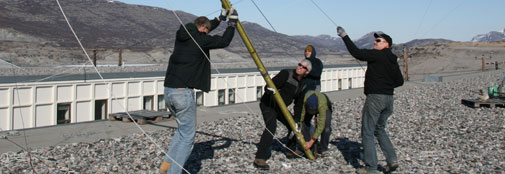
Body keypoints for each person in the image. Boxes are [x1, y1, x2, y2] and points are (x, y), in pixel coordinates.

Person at [159, 8, 238, 174]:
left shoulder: (182, 34)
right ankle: (174, 171)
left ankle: (166, 165)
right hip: (183, 93)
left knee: (182, 130)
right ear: (203, 30)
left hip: (168, 91)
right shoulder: (201, 40)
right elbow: (224, 41)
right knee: (188, 137)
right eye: (207, 31)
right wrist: (232, 24)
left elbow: (204, 28)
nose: (207, 34)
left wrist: (220, 18)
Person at [336, 26, 404, 174]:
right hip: (389, 99)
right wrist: (386, 85)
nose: (375, 42)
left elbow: (357, 53)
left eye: (378, 40)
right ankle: (392, 160)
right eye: (375, 40)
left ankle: (371, 168)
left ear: (387, 44)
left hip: (375, 98)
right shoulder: (393, 59)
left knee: (367, 131)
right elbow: (400, 81)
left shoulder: (377, 55)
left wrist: (344, 36)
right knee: (380, 129)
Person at [253, 59, 312, 170]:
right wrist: (270, 90)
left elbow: (299, 104)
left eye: (303, 67)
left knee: (293, 126)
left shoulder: (304, 85)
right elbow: (270, 85)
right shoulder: (287, 73)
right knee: (271, 127)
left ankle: (291, 150)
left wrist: (297, 120)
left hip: (282, 108)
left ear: (307, 72)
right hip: (268, 103)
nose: (299, 67)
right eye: (299, 64)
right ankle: (260, 158)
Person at [292, 90, 332, 158]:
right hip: (312, 105)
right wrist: (301, 130)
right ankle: (308, 146)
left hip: (326, 107)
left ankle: (324, 149)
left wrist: (312, 141)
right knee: (305, 124)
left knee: (326, 129)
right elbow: (302, 117)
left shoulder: (322, 104)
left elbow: (321, 125)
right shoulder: (305, 100)